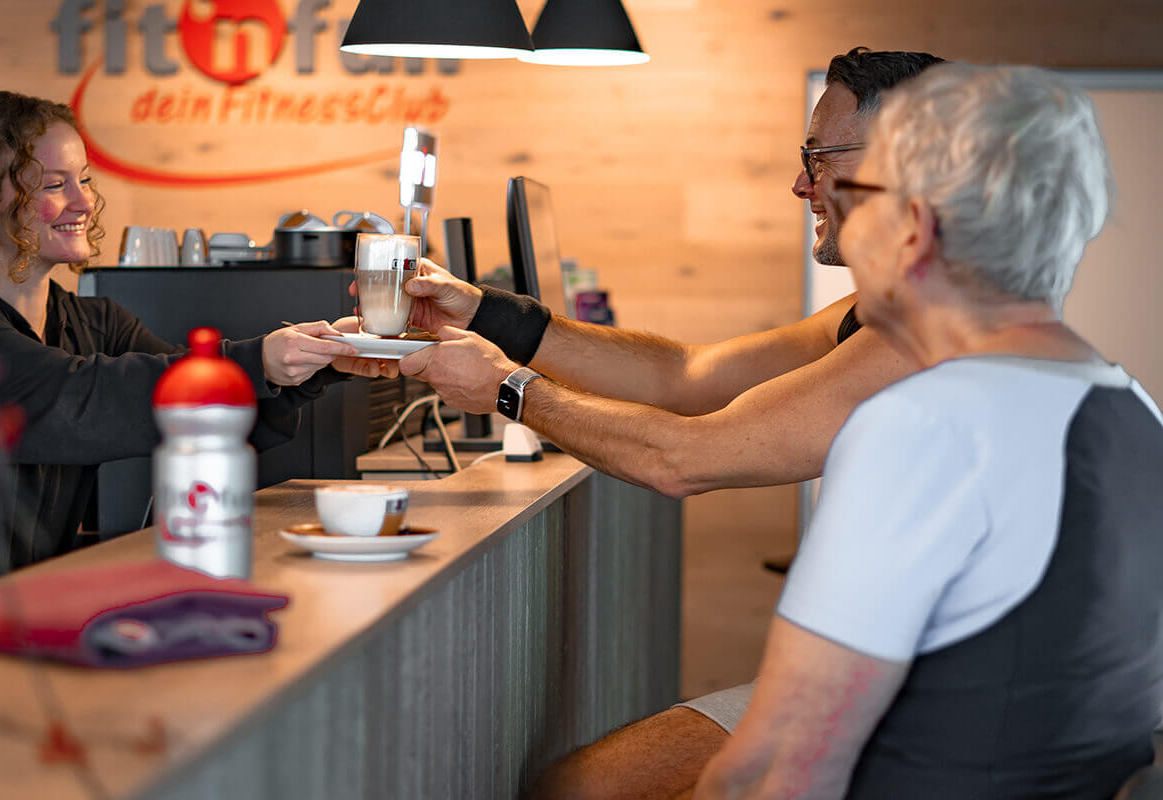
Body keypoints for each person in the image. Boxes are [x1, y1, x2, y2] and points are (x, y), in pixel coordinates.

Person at [346, 48, 941, 797]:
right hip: (872, 678)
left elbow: (683, 458)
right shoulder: (872, 314)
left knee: (584, 789)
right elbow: (682, 376)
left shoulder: (924, 330)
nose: (800, 182)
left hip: (920, 707)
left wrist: (507, 389)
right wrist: (488, 311)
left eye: (818, 156)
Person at [689, 63, 1163, 800]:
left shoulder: (928, 424)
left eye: (866, 196)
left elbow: (778, 771)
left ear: (918, 225)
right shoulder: (1134, 408)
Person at [0, 91, 370, 585]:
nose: (83, 201)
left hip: (34, 614)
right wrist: (260, 359)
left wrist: (316, 361)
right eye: (54, 185)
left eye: (85, 179)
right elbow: (80, 394)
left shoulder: (96, 324)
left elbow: (208, 414)